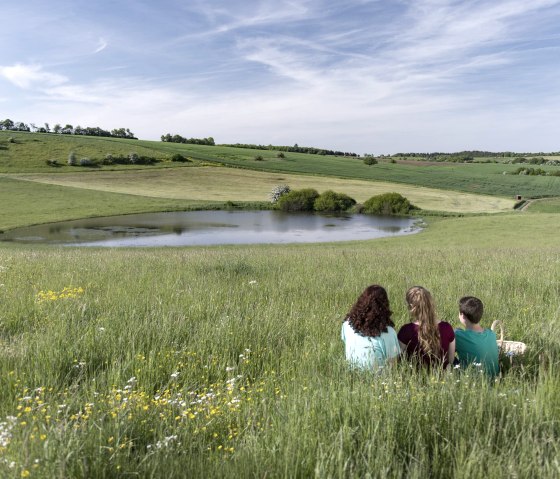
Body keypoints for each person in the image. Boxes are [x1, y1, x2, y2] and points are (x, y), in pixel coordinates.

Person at [341, 285, 401, 370]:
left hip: (352, 374)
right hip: (379, 380)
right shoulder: (388, 333)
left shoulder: (347, 325)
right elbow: (393, 364)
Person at [397, 286, 455, 368]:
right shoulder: (447, 328)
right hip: (442, 378)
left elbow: (396, 359)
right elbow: (451, 360)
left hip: (414, 378)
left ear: (411, 307)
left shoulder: (406, 330)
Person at [454, 296, 499, 377]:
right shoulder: (491, 333)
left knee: (446, 355)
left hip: (473, 380)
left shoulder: (458, 336)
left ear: (462, 316)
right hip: (494, 379)